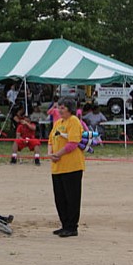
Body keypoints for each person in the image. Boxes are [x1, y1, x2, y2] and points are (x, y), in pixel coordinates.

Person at [48, 97, 85, 238]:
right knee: (60, 198)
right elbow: (51, 139)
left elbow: (73, 143)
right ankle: (64, 225)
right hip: (57, 167)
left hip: (72, 167)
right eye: (59, 107)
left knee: (72, 198)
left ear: (70, 109)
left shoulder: (74, 121)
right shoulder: (58, 123)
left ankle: (72, 227)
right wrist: (50, 153)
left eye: (63, 107)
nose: (60, 110)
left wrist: (58, 153)